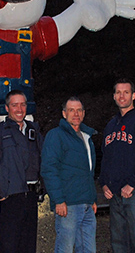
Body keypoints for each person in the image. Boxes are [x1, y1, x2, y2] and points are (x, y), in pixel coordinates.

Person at [0, 90, 44, 253]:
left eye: (23, 104)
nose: (19, 109)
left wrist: (43, 188)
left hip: (30, 199)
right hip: (9, 200)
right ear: (7, 108)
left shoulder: (34, 132)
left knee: (28, 248)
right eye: (15, 105)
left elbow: (44, 162)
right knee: (7, 247)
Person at [99, 79, 135, 253]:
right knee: (118, 243)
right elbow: (106, 158)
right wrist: (104, 183)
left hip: (134, 192)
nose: (122, 96)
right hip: (114, 194)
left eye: (126, 92)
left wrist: (132, 183)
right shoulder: (111, 125)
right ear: (113, 96)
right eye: (118, 92)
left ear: (133, 95)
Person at [41, 97, 98, 253]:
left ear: (84, 113)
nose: (76, 114)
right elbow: (49, 169)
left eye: (79, 110)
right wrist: (58, 200)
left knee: (88, 249)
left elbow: (89, 171)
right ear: (64, 113)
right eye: (71, 110)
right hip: (68, 205)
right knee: (65, 248)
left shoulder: (87, 136)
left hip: (87, 205)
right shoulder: (56, 136)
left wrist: (92, 198)